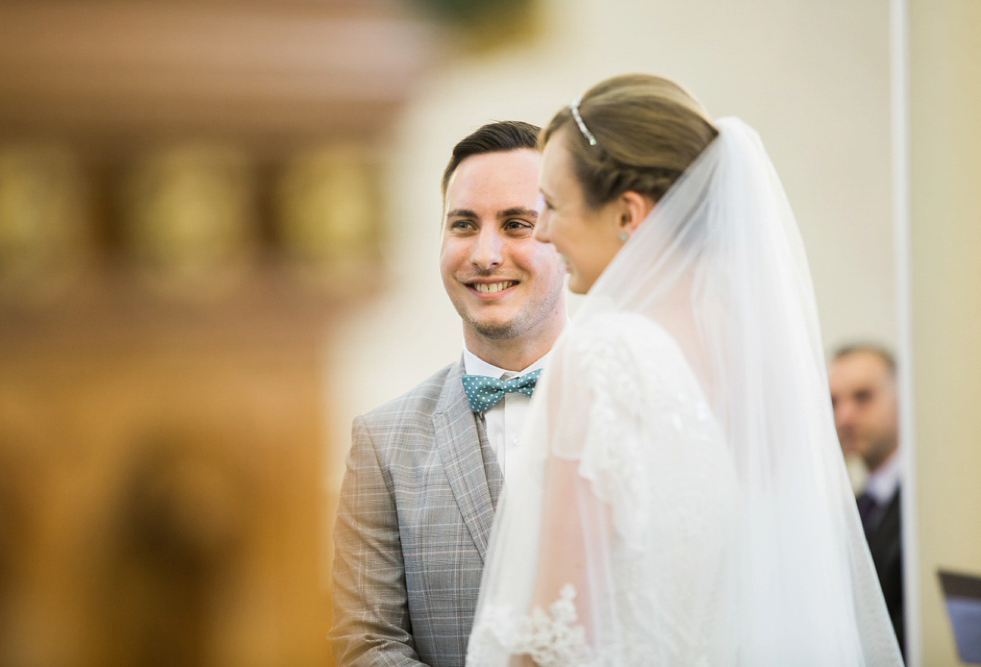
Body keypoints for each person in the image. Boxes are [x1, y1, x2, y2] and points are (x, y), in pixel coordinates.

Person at [467, 74, 903, 665]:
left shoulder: (604, 355)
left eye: (555, 206)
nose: (542, 230)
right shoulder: (764, 368)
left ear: (627, 213)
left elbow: (555, 637)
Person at [329, 120, 568, 666]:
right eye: (463, 224)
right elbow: (367, 643)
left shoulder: (636, 406)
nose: (485, 254)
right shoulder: (382, 442)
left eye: (516, 224)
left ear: (565, 236)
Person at [830, 344, 904, 656]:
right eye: (833, 402)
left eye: (863, 397)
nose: (844, 416)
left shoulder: (931, 505)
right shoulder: (853, 509)